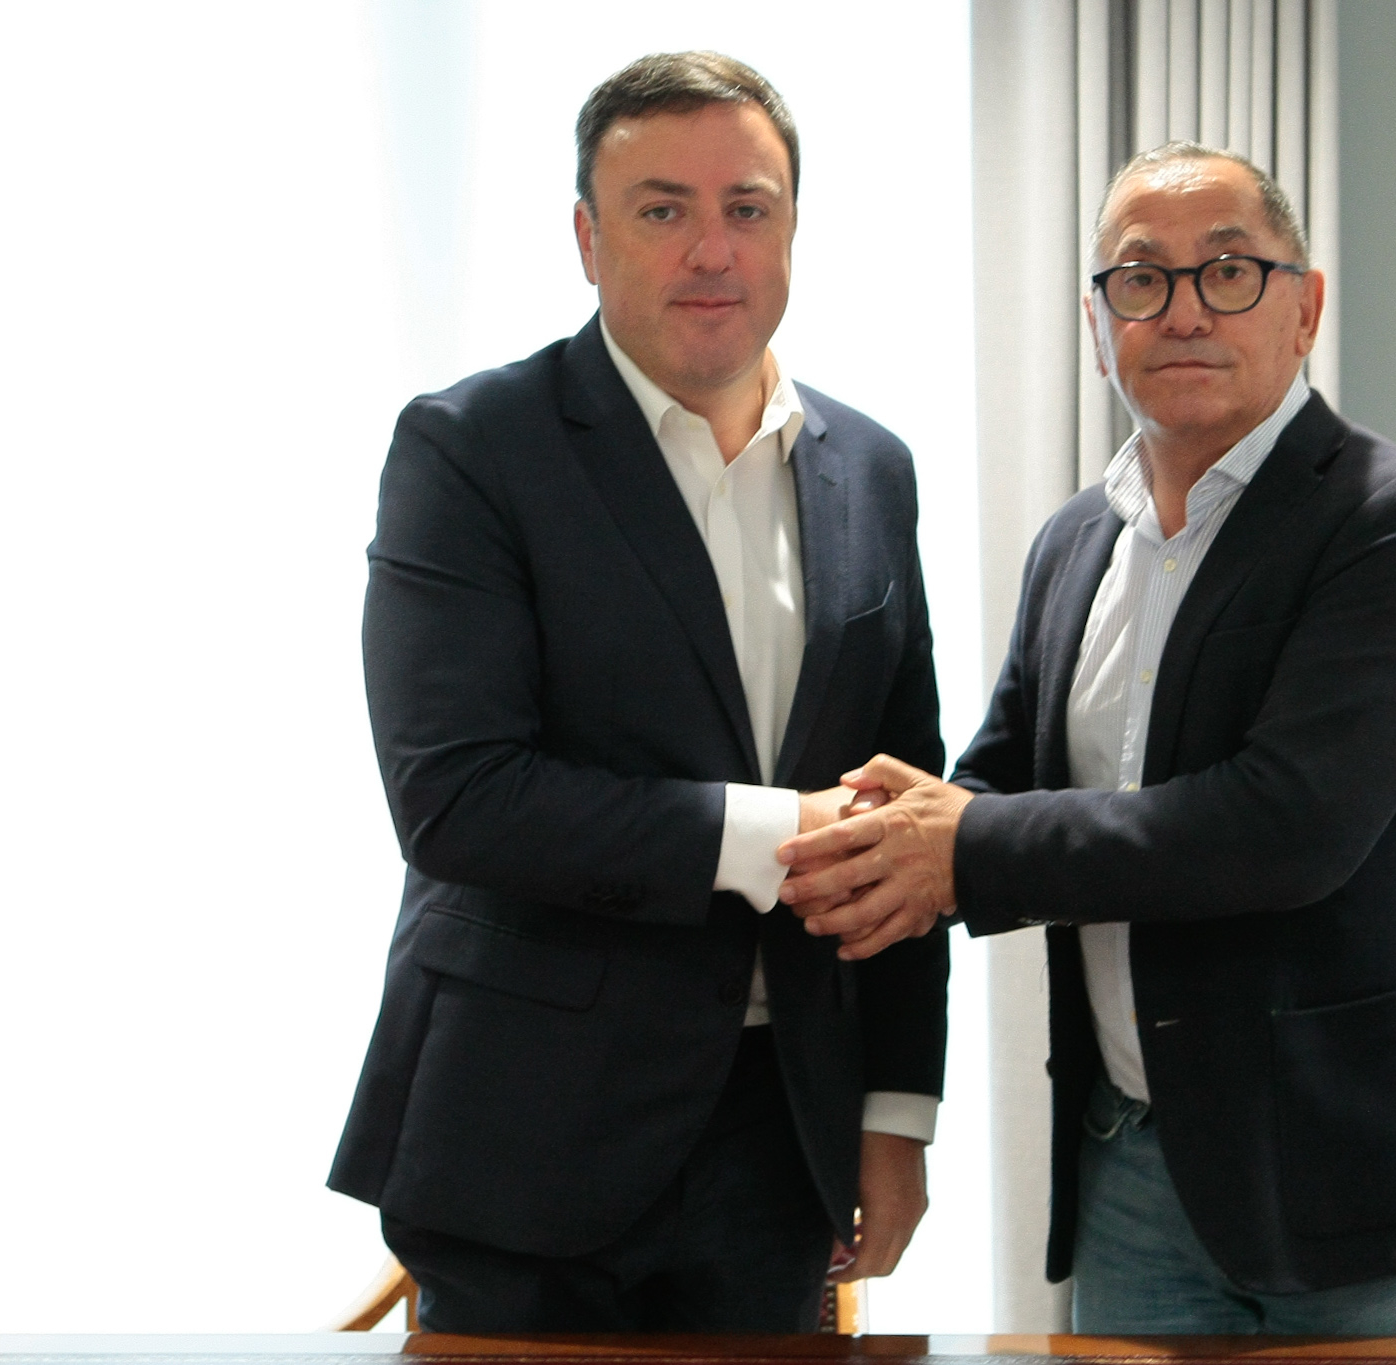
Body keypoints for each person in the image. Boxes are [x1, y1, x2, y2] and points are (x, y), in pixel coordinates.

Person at [777, 142, 1396, 1335]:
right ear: (1096, 322)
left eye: (1226, 271)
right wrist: (872, 834)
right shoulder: (1075, 542)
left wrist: (957, 846)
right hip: (1129, 1170)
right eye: (1138, 278)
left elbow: (1281, 828)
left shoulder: (1395, 525)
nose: (1180, 311)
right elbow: (999, 784)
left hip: (1363, 1175)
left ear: (1303, 306)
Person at [329, 52, 948, 1333]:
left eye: (746, 208)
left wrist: (895, 1116)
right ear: (587, 238)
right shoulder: (470, 449)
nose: (710, 250)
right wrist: (781, 834)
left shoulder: (873, 468)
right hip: (523, 1133)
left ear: (791, 229)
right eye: (662, 209)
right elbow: (457, 798)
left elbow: (906, 818)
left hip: (781, 1142)